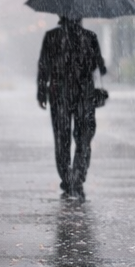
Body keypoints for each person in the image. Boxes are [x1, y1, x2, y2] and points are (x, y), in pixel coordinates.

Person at [37, 15, 107, 198]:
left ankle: (67, 177)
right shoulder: (89, 37)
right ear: (81, 17)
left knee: (62, 138)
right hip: (84, 95)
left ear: (61, 17)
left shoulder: (52, 37)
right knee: (84, 137)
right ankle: (78, 176)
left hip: (59, 95)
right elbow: (99, 66)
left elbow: (44, 66)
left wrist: (41, 91)